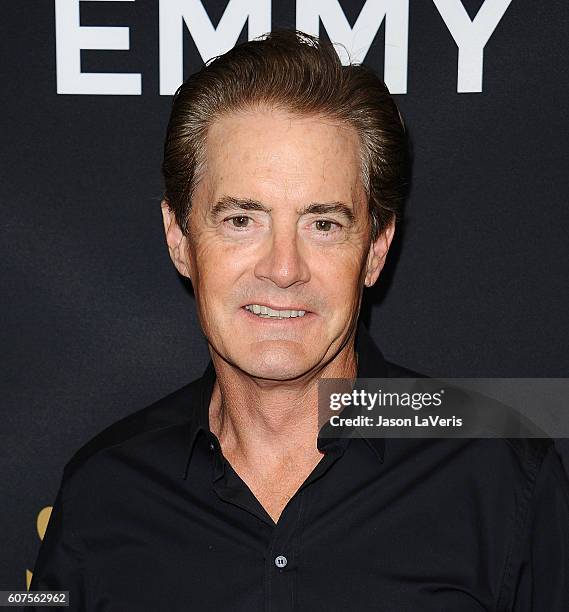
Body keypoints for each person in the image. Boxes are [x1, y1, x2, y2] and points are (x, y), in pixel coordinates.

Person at [28, 29, 569, 611]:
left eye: (324, 225)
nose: (284, 269)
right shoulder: (103, 490)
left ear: (377, 249)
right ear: (179, 239)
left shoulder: (502, 473)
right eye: (241, 220)